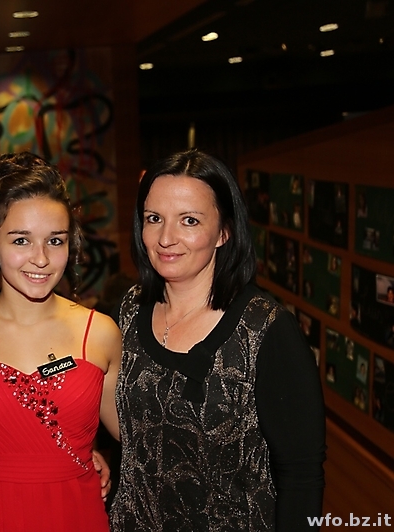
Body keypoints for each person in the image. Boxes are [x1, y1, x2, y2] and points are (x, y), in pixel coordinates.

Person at [110, 149, 325, 530]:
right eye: (154, 218)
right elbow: (124, 430)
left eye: (189, 220)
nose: (166, 238)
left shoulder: (265, 329)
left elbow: (301, 473)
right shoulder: (128, 310)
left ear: (224, 231)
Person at [0, 153, 122, 531]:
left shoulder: (100, 332)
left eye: (55, 241)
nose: (40, 259)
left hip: (73, 512)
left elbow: (137, 436)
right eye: (21, 240)